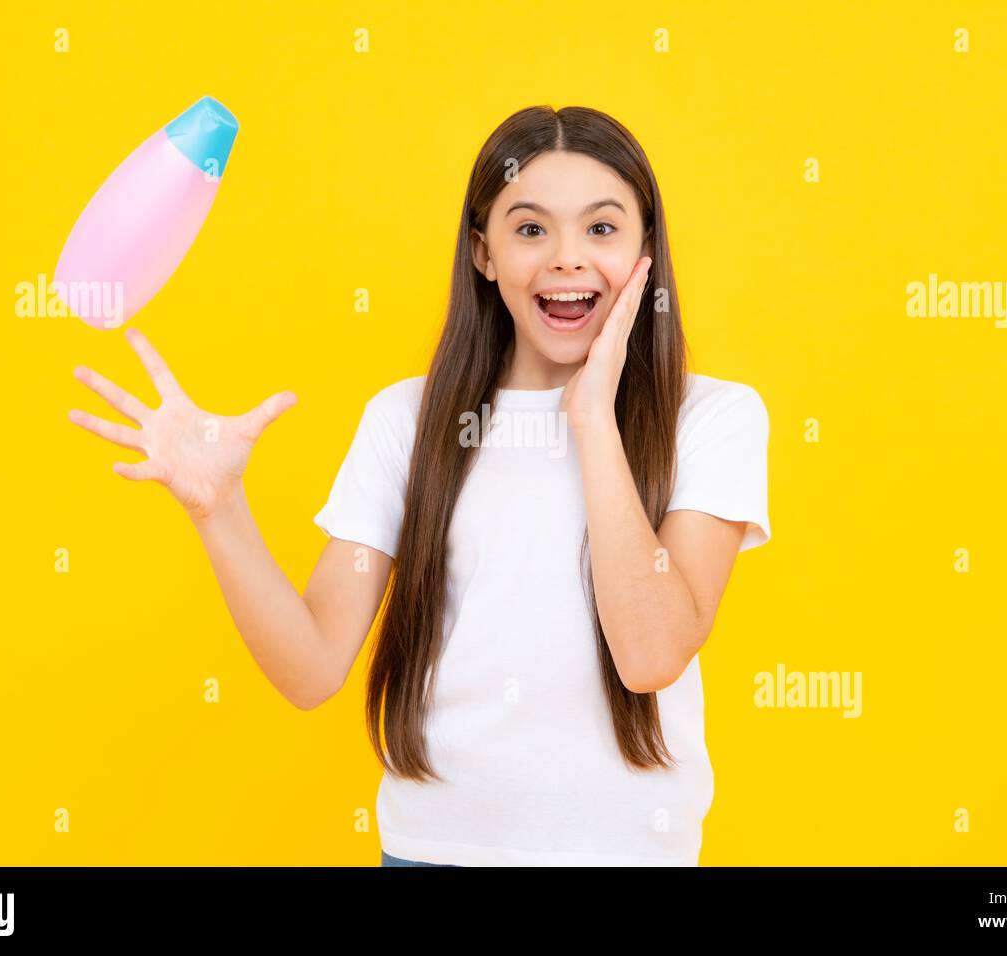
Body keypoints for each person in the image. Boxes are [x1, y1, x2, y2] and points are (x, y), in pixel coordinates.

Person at [67, 105, 771, 867]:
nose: (568, 258)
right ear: (484, 252)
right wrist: (218, 506)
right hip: (431, 852)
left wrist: (593, 416)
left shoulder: (712, 418)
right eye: (530, 229)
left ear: (645, 253)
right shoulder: (409, 420)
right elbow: (310, 669)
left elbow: (651, 653)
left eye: (602, 229)